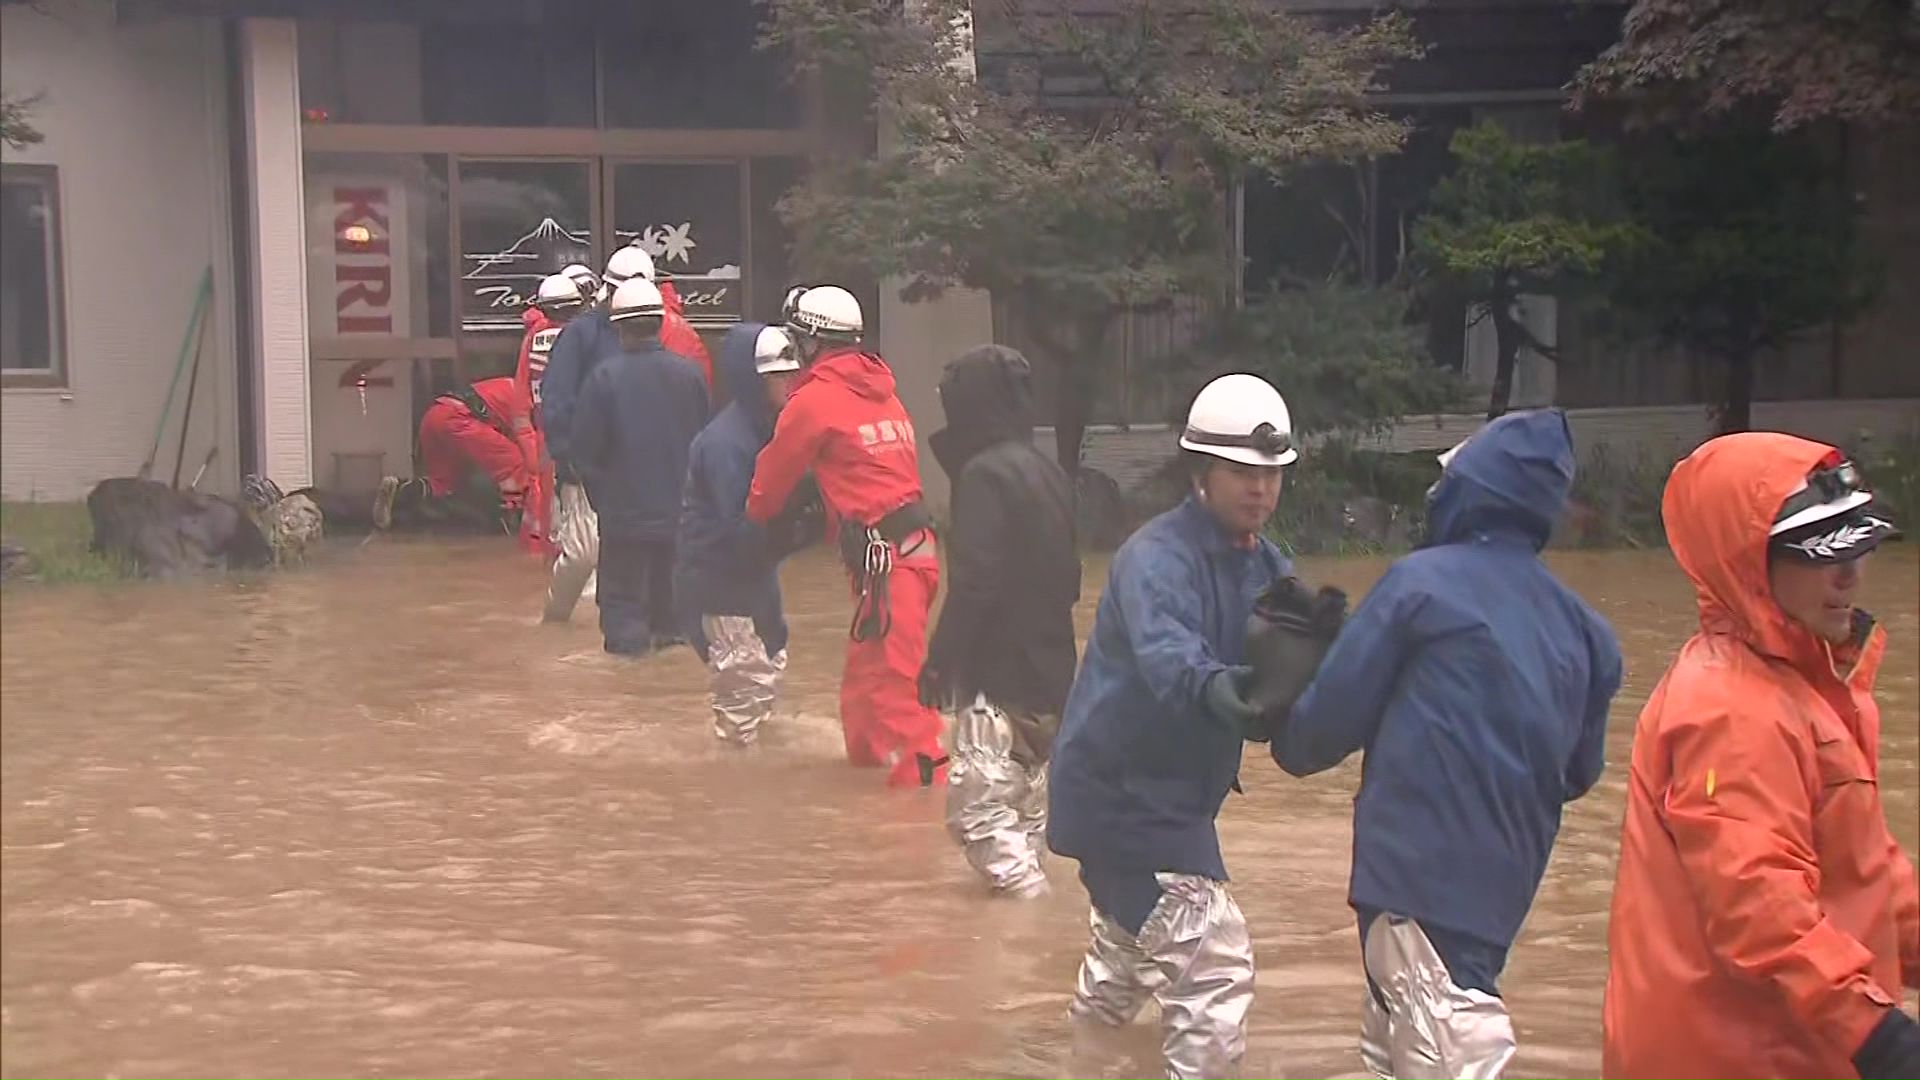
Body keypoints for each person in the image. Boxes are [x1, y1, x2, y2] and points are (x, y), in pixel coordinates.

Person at [1269, 408, 1623, 1080]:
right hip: (1497, 904)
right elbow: (1579, 772)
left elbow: (1323, 727)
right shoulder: (1590, 635)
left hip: (1405, 895)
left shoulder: (1418, 584)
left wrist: (1278, 718)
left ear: (1469, 489)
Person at [1602, 433, 1920, 1080]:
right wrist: (1878, 1035)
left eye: (1856, 547)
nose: (1849, 574)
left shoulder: (1811, 691)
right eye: (1821, 553)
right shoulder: (1729, 707)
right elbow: (1758, 905)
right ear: (1751, 566)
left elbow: (1869, 875)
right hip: (1739, 1060)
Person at [1046, 373, 1296, 1080]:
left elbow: (1296, 678)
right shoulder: (1154, 559)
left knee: (1120, 976)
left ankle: (1073, 1064)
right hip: (1121, 802)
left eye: (1272, 473)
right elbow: (1171, 658)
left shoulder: (1271, 569)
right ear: (1200, 473)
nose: (1260, 488)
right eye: (1242, 472)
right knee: (1215, 966)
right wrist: (1225, 690)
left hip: (1177, 806)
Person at [744, 285, 946, 788]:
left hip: (889, 563)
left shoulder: (812, 401)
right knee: (863, 696)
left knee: (899, 695)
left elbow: (768, 486)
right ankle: (868, 795)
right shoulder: (883, 390)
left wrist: (750, 522)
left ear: (810, 342)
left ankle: (923, 801)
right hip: (905, 555)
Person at [919, 345, 1080, 898]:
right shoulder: (1049, 472)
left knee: (979, 816)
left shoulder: (983, 476)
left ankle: (1027, 920)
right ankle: (1032, 936)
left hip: (1000, 682)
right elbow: (1071, 577)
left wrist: (940, 662)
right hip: (1053, 679)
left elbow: (975, 583)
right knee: (1027, 817)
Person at [675, 324, 822, 746]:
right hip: (719, 586)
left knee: (767, 682)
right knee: (743, 703)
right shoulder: (726, 444)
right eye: (778, 376)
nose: (789, 383)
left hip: (755, 581)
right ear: (753, 381)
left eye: (792, 374)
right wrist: (797, 525)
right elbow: (739, 529)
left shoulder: (774, 431)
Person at [571, 277, 710, 656]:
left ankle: (629, 681)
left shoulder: (603, 379)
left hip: (624, 520)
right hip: (681, 518)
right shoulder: (691, 376)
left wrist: (604, 502)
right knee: (674, 627)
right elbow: (705, 443)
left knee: (624, 621)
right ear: (660, 322)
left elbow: (583, 452)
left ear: (618, 327)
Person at [539, 246, 646, 623]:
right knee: (583, 554)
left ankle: (625, 627)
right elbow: (557, 396)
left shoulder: (653, 335)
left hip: (634, 464)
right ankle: (555, 618)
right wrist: (567, 455)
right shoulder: (580, 335)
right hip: (586, 463)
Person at [374, 375, 538, 533]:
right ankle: (514, 520)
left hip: (434, 415)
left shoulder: (514, 387)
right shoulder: (531, 401)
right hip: (458, 418)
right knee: (515, 462)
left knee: (442, 484)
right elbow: (529, 450)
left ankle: (400, 490)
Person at [513, 273, 586, 557]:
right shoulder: (585, 335)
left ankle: (553, 559)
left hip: (546, 435)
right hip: (581, 432)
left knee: (549, 509)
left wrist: (527, 443)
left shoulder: (533, 338)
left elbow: (521, 399)